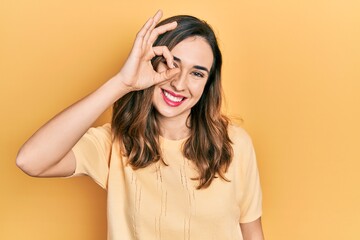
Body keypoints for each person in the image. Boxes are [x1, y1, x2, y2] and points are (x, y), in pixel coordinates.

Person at [16, 10, 264, 240]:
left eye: (197, 73)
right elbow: (31, 160)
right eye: (171, 63)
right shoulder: (114, 143)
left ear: (207, 85)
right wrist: (123, 82)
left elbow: (252, 233)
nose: (179, 83)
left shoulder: (235, 144)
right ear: (152, 61)